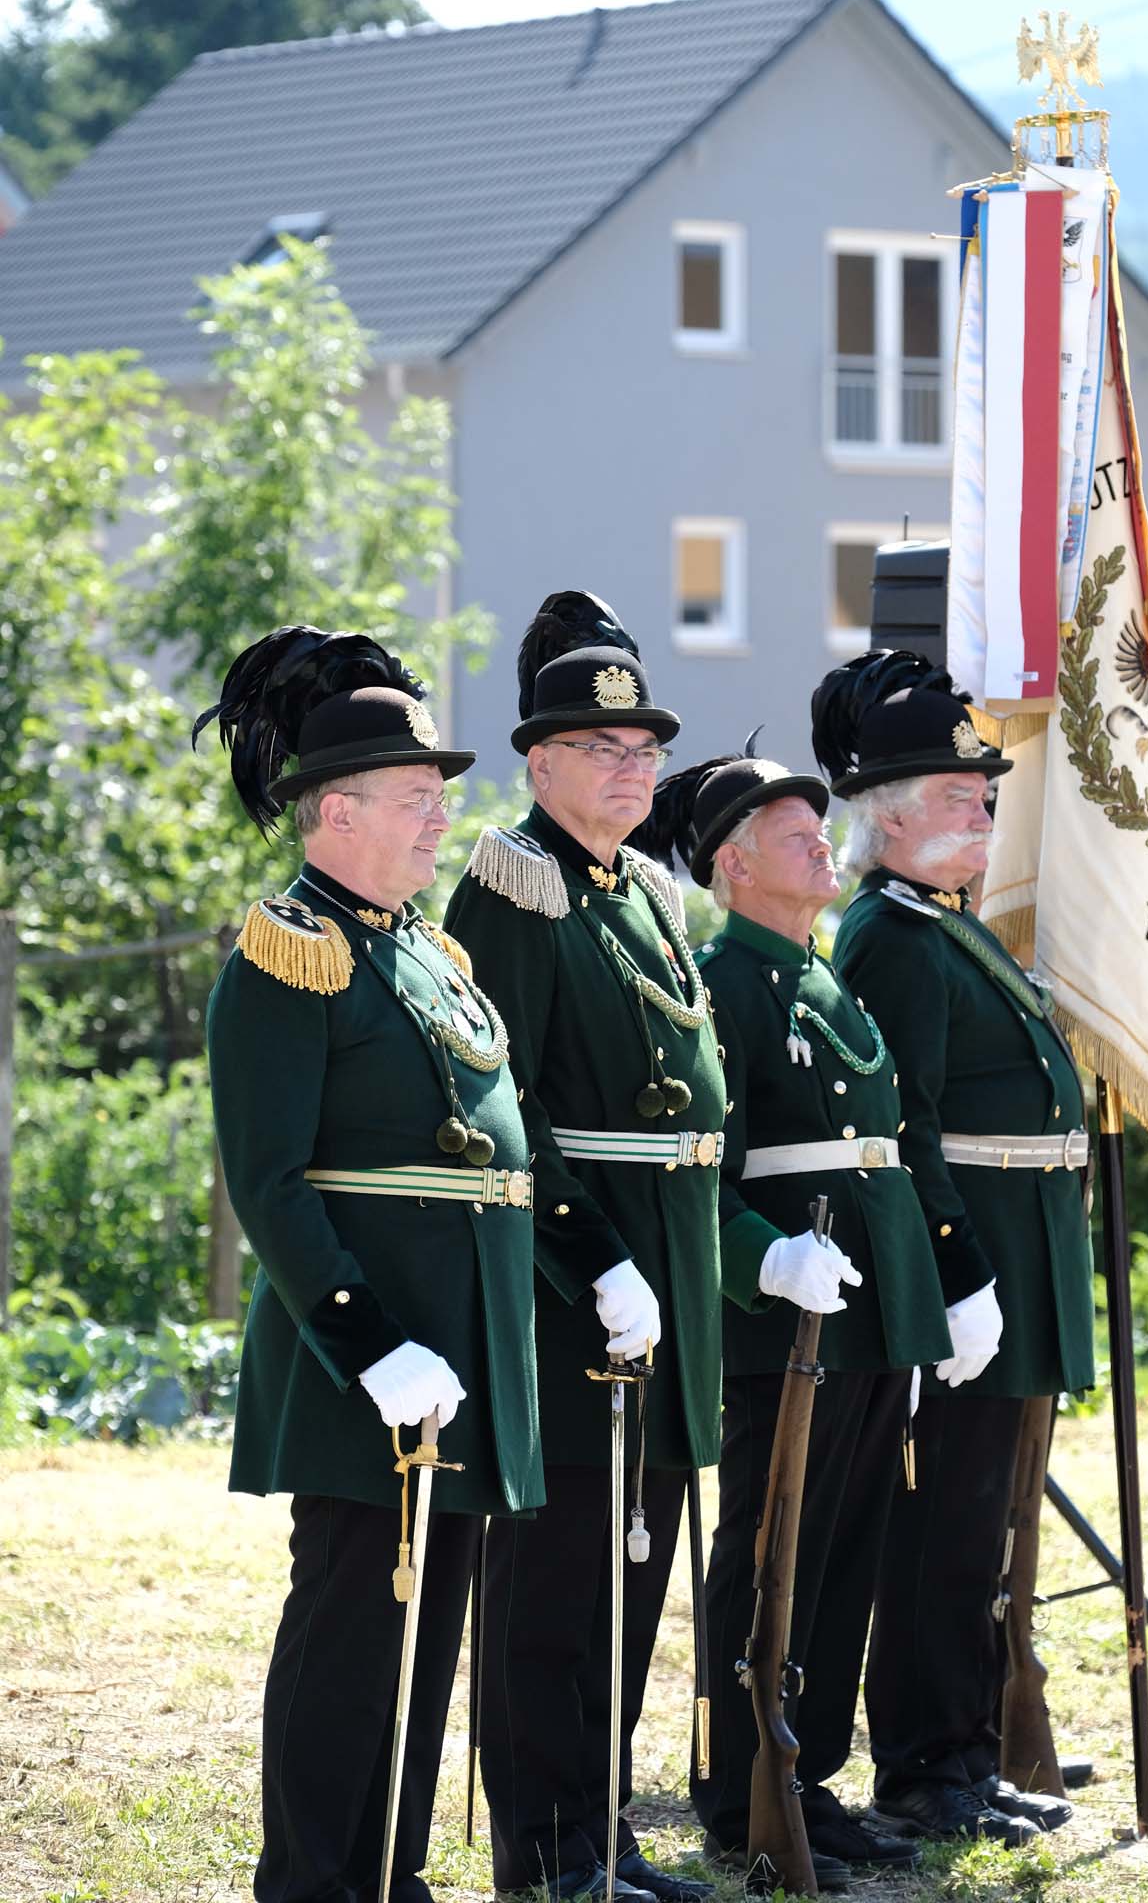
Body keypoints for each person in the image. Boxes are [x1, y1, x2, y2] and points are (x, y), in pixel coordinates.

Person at [200, 626, 544, 1903]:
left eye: (439, 794)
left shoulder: (423, 951)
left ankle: (389, 1874)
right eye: (415, 796)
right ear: (335, 811)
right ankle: (311, 1881)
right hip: (368, 1349)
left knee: (426, 1627)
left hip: (455, 1339)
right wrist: (368, 1343)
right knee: (352, 1620)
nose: (441, 815)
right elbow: (269, 1179)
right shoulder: (290, 948)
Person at [631, 746, 957, 1888]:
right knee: (772, 1547)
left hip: (864, 1299)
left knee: (844, 1544)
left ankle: (806, 1773)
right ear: (732, 863)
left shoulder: (820, 976)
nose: (823, 843)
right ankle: (742, 1785)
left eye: (819, 828)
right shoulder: (721, 983)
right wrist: (762, 1263)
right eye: (792, 833)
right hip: (786, 1311)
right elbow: (704, 1167)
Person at [444, 593, 726, 1903]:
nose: (629, 768)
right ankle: (544, 1852)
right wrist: (593, 1255)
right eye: (600, 749)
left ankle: (601, 1832)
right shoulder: (515, 885)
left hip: (665, 1272)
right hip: (573, 1287)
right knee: (555, 1578)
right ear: (538, 761)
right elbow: (501, 1106)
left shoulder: (644, 894)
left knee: (633, 1567)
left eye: (644, 749)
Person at [815, 652, 1092, 1848]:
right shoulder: (890, 933)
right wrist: (957, 1272)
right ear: (886, 814)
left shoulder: (943, 923)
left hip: (1016, 1253)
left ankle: (970, 1749)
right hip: (968, 1261)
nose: (982, 809)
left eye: (983, 792)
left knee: (984, 1517)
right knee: (939, 1523)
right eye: (956, 793)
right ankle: (927, 1766)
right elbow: (904, 1124)